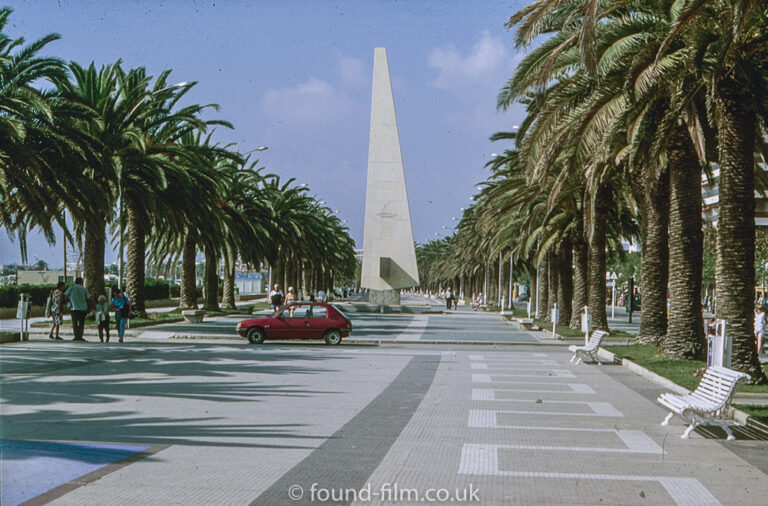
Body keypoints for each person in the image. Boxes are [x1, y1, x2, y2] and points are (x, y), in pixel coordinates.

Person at [65, 277, 91, 341]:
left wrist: (69, 301)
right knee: (81, 323)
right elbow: (88, 299)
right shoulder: (84, 289)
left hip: (74, 308)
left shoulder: (71, 288)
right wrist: (89, 307)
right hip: (83, 308)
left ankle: (76, 336)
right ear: (81, 282)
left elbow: (65, 295)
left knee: (74, 323)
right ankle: (80, 336)